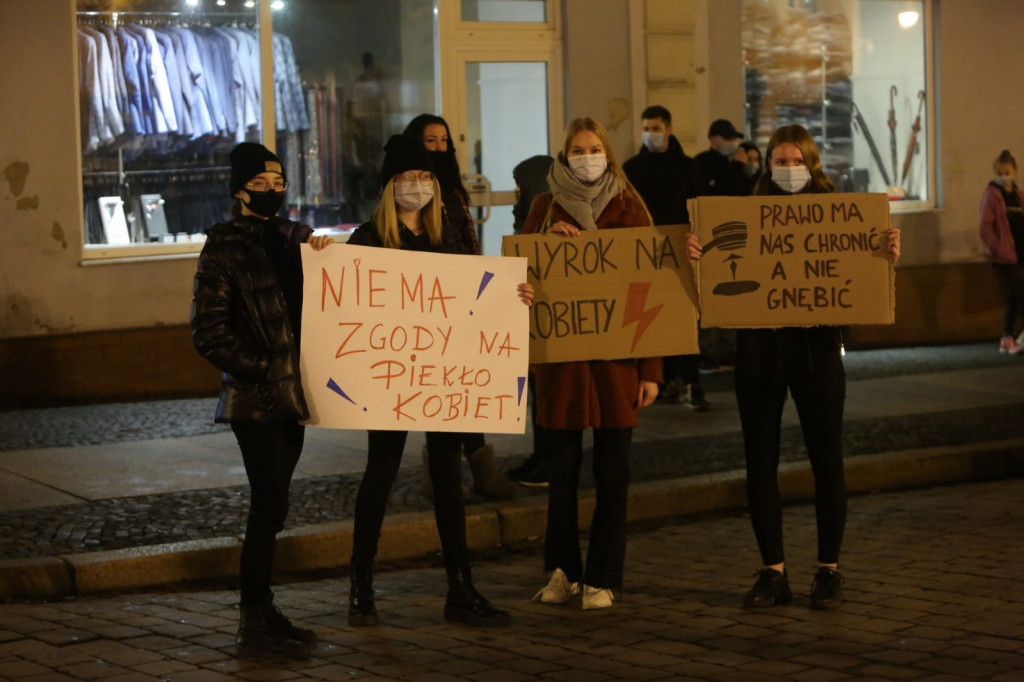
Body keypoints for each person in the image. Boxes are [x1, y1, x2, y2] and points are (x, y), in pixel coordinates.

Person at [693, 124, 900, 610]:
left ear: (812, 165)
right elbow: (719, 269)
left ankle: (828, 571)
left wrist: (883, 254)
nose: (789, 170)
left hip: (817, 347)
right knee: (760, 461)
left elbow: (859, 276)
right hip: (761, 350)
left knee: (827, 458)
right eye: (780, 162)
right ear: (768, 165)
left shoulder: (840, 214)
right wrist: (700, 256)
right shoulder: (742, 212)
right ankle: (773, 572)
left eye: (797, 161)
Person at [345, 134, 534, 628]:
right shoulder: (367, 239)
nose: (418, 184)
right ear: (390, 185)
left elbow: (476, 298)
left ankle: (461, 587)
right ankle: (361, 586)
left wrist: (515, 297)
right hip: (390, 377)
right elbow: (343, 300)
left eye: (425, 176)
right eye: (408, 176)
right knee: (380, 475)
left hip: (442, 375)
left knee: (449, 478)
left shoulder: (446, 235)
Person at [524, 117, 691, 610]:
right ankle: (561, 571)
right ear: (564, 156)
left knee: (614, 473)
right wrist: (545, 252)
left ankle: (602, 576)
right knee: (563, 474)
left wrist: (652, 371)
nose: (586, 157)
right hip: (563, 367)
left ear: (608, 154)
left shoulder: (630, 208)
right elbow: (522, 278)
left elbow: (653, 291)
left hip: (617, 365)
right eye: (577, 150)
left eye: (594, 148)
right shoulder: (542, 207)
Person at [191, 142, 334, 657]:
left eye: (279, 184)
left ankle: (264, 610)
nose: (272, 192)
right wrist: (263, 367)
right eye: (262, 184)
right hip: (256, 400)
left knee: (275, 506)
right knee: (267, 504)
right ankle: (254, 619)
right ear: (239, 189)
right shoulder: (223, 248)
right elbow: (208, 332)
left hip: (293, 394)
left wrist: (322, 258)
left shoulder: (293, 239)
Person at [401, 113, 518, 500]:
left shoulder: (454, 191)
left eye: (444, 141)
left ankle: (478, 471)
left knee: (466, 388)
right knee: (439, 392)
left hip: (464, 303)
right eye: (429, 141)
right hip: (428, 307)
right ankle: (441, 476)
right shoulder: (411, 193)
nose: (439, 148)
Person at [622, 104, 708, 411]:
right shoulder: (631, 168)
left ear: (669, 129)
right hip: (644, 255)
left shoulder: (687, 167)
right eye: (645, 129)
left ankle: (687, 379)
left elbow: (700, 207)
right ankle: (660, 378)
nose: (650, 135)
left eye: (655, 129)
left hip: (681, 256)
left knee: (684, 319)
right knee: (650, 316)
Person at [506, 153, 556, 487]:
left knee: (547, 391)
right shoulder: (533, 213)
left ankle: (548, 462)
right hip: (534, 308)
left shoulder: (543, 215)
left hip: (546, 315)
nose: (515, 195)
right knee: (540, 391)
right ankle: (542, 458)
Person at [979, 149, 1024, 354]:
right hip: (1006, 257)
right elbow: (985, 227)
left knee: (1018, 296)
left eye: (1008, 172)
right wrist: (998, 249)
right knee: (1014, 296)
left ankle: (1014, 337)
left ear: (1015, 171)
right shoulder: (992, 195)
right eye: (1001, 172)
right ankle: (1007, 337)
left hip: (1021, 253)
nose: (1005, 176)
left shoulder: (1018, 195)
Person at [694, 118, 750, 197]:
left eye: (734, 139)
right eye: (727, 138)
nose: (732, 143)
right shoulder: (702, 162)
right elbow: (724, 192)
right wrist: (737, 166)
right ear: (712, 139)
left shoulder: (732, 161)